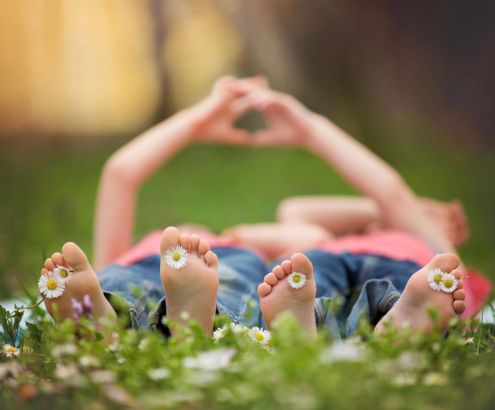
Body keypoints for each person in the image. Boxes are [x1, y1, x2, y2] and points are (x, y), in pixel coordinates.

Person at [38, 76, 473, 342]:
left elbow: (381, 198)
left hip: (373, 268)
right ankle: (110, 312)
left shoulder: (432, 256)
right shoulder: (268, 245)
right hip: (232, 266)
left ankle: (398, 318)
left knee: (328, 274)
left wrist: (311, 131)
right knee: (148, 280)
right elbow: (307, 215)